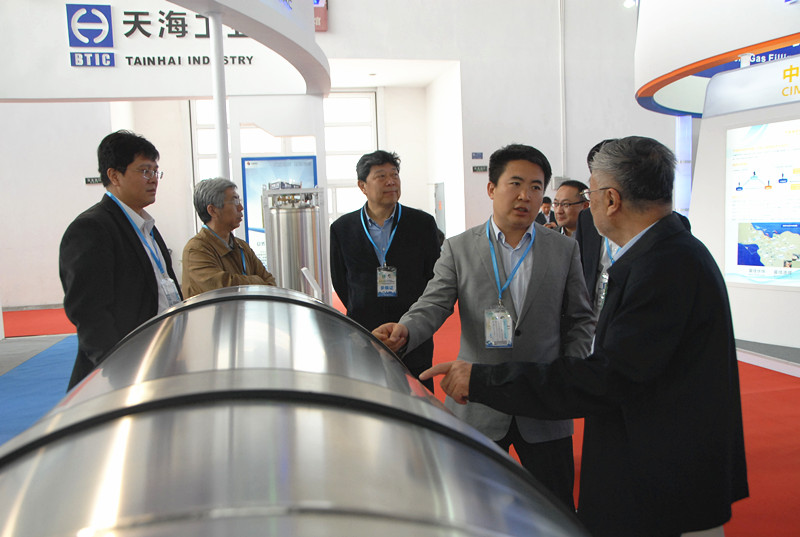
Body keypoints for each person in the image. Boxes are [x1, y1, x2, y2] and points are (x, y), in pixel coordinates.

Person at [422, 136, 748, 537]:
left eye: (588, 195)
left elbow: (609, 376)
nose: (584, 206)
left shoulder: (663, 267)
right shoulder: (665, 254)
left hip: (666, 481)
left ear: (611, 199)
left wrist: (483, 380)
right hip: (658, 470)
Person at [374, 144, 594, 510]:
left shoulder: (563, 249)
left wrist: (569, 369)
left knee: (555, 507)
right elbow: (434, 303)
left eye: (536, 187)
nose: (526, 196)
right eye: (516, 184)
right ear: (491, 188)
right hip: (476, 400)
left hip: (543, 402)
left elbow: (581, 318)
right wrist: (406, 330)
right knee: (472, 507)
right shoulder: (459, 248)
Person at [60, 130, 182, 390]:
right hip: (121, 376)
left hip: (158, 360)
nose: (153, 179)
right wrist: (118, 372)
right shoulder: (91, 228)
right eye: (144, 171)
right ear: (114, 176)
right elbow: (90, 314)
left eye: (156, 171)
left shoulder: (146, 227)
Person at [330, 150, 441, 389]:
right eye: (381, 176)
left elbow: (433, 277)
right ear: (362, 186)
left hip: (412, 332)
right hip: (364, 333)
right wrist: (364, 314)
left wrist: (412, 324)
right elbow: (340, 280)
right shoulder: (342, 228)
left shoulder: (422, 224)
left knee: (418, 397)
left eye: (395, 175)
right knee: (370, 396)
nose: (391, 181)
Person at [182, 178, 277, 297]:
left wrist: (251, 283)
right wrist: (257, 281)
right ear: (212, 210)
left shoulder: (242, 246)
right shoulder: (196, 250)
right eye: (235, 201)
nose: (241, 207)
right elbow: (224, 290)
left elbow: (270, 283)